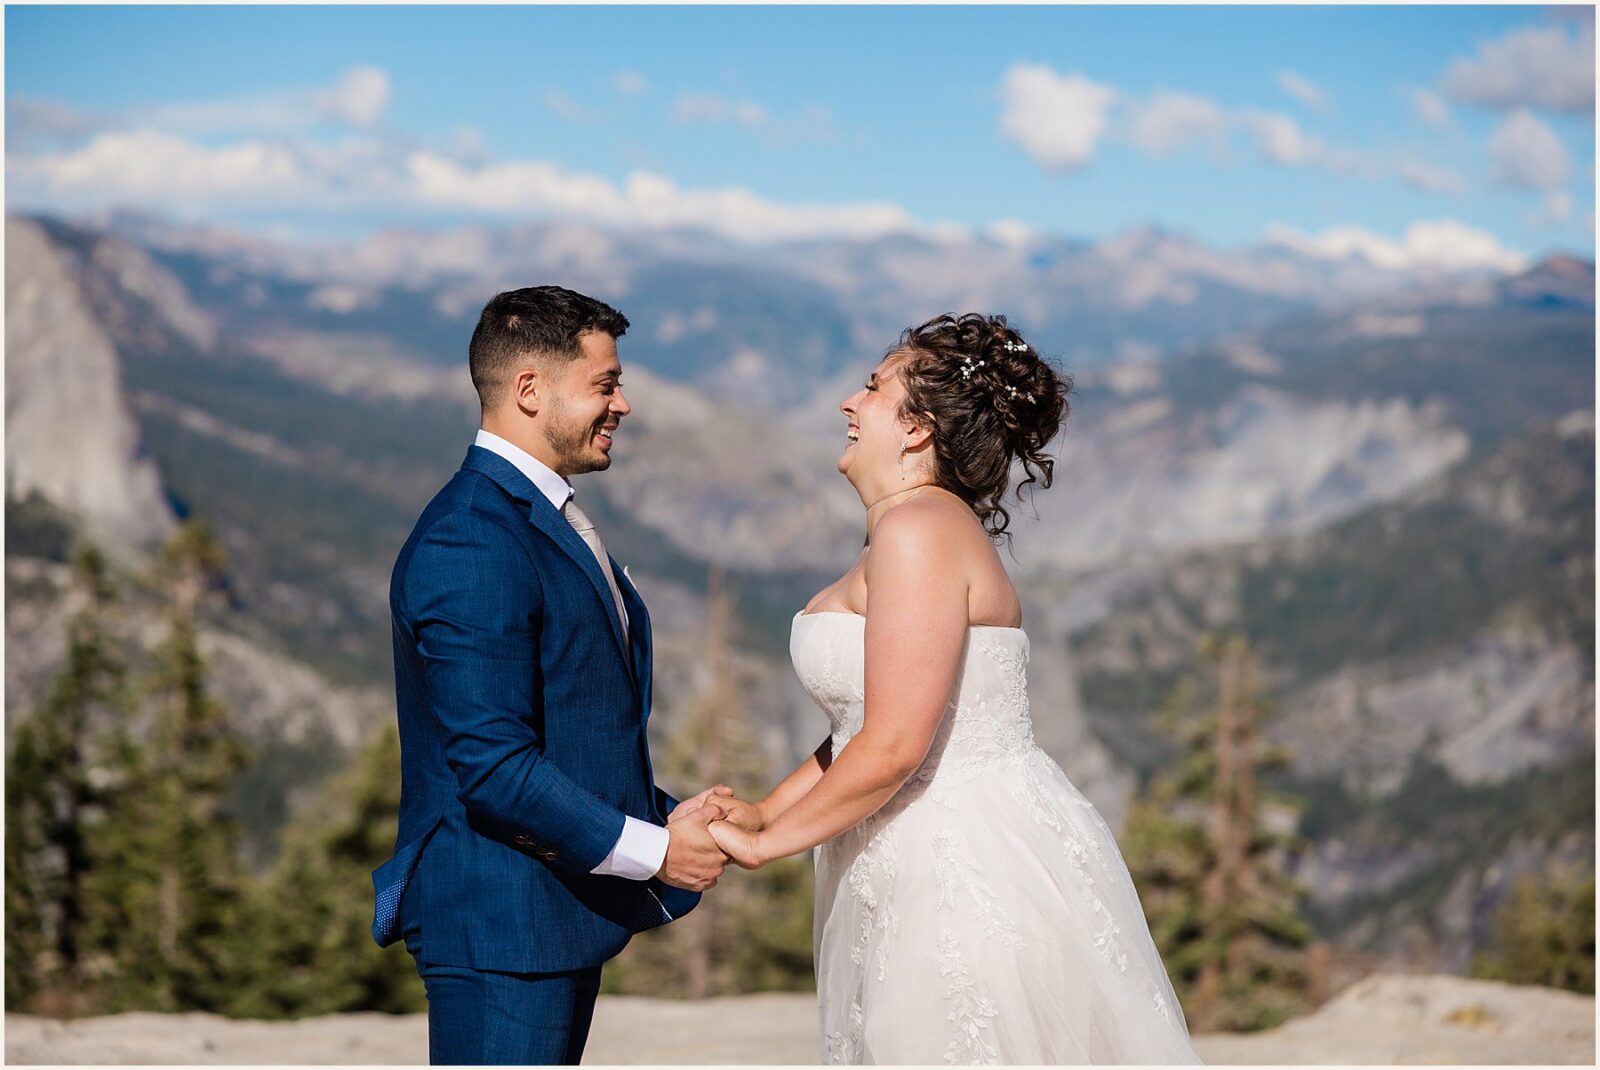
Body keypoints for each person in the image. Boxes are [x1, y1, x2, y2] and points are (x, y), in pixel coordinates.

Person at [707, 313, 1204, 1064]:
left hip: (956, 870)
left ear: (916, 429)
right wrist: (764, 807)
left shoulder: (918, 532)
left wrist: (769, 844)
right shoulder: (914, 528)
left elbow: (898, 743)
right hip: (915, 852)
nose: (848, 402)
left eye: (873, 388)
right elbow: (864, 723)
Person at [369, 286, 735, 1065]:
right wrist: (655, 852)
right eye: (606, 384)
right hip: (497, 922)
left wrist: (658, 815)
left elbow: (566, 719)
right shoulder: (472, 539)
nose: (624, 405)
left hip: (542, 917)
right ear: (530, 390)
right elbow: (494, 767)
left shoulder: (532, 517)